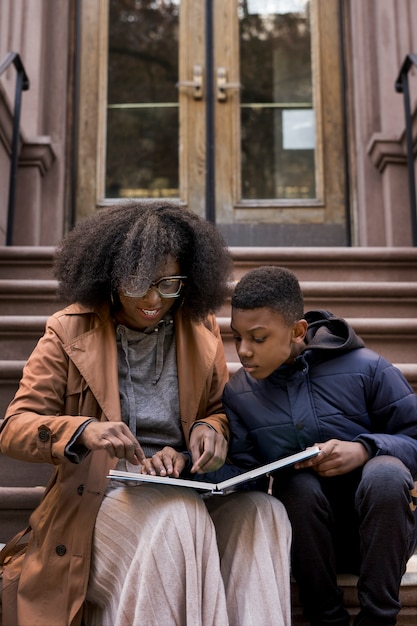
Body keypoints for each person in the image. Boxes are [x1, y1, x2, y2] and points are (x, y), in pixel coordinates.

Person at [0, 203, 292, 626]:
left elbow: (217, 410)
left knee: (264, 513)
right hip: (100, 501)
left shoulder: (200, 328)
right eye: (140, 284)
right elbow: (15, 427)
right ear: (113, 277)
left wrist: (210, 431)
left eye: (169, 284)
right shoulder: (68, 331)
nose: (155, 299)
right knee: (177, 515)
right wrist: (85, 431)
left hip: (185, 488)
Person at [221, 265, 417, 626]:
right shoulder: (239, 394)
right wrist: (192, 464)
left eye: (258, 338)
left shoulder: (367, 368)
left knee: (387, 471)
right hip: (308, 544)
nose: (244, 351)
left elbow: (414, 435)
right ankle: (326, 620)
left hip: (383, 539)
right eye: (236, 337)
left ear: (297, 331)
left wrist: (364, 449)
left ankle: (378, 620)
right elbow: (244, 474)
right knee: (295, 484)